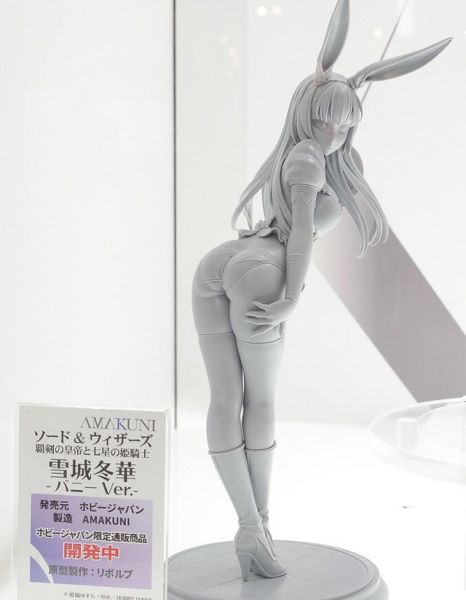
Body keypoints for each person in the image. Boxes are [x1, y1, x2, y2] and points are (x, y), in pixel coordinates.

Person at [191, 0, 451, 582]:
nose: (336, 132)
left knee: (223, 398)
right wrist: (291, 297)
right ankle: (254, 527)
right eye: (327, 120)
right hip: (264, 270)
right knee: (257, 402)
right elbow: (301, 236)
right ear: (307, 114)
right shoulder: (309, 162)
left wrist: (348, 109)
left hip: (221, 261)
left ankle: (253, 528)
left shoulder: (304, 153)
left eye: (346, 123)